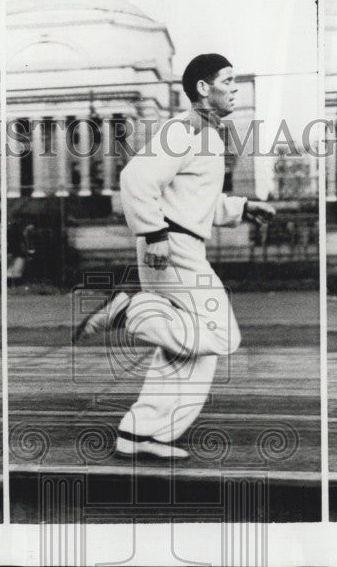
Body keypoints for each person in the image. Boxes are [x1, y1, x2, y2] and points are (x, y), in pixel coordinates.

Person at [72, 54, 275, 459]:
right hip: (171, 248)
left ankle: (142, 432)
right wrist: (153, 233)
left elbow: (193, 199)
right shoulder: (183, 129)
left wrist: (240, 208)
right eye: (228, 80)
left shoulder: (207, 135)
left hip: (177, 241)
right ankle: (129, 311)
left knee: (189, 354)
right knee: (220, 333)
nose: (235, 88)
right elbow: (135, 178)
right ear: (204, 88)